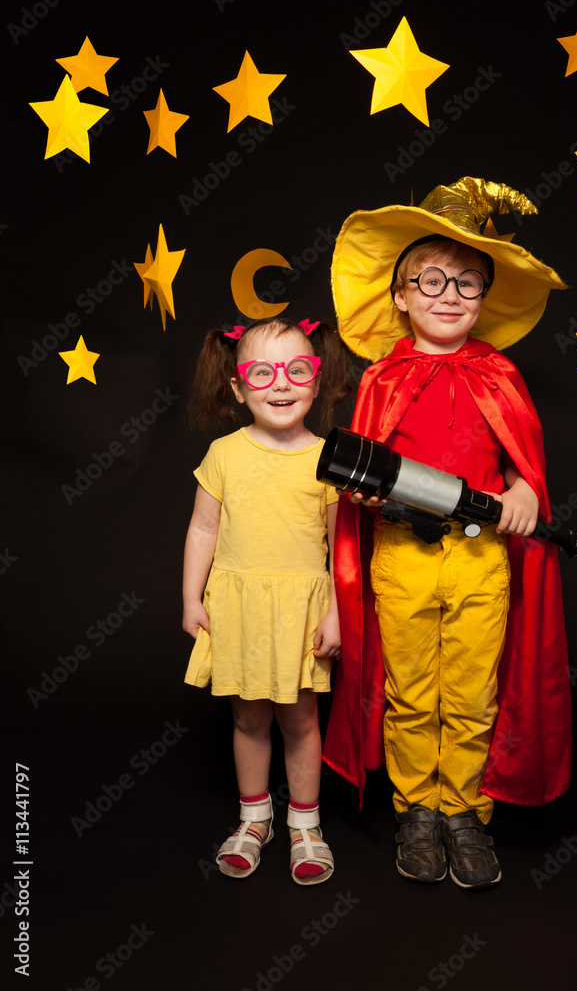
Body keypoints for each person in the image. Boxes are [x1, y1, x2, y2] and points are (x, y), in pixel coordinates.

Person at [323, 178, 572, 889]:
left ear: (485, 296)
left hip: (480, 560)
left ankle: (464, 811)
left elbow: (525, 465)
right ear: (399, 294)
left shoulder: (499, 372)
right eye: (428, 279)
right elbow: (360, 472)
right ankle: (417, 810)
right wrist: (366, 498)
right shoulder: (382, 377)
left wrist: (525, 488)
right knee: (410, 689)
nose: (447, 293)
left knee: (469, 689)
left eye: (466, 281)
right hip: (400, 560)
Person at [183, 316, 350, 884]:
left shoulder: (329, 459)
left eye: (296, 370)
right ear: (237, 386)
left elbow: (339, 548)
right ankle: (255, 818)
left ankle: (306, 825)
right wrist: (191, 598)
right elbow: (204, 529)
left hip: (300, 612)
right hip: (240, 608)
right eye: (263, 372)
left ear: (316, 379)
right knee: (248, 717)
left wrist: (335, 611)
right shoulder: (224, 453)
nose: (281, 384)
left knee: (301, 720)